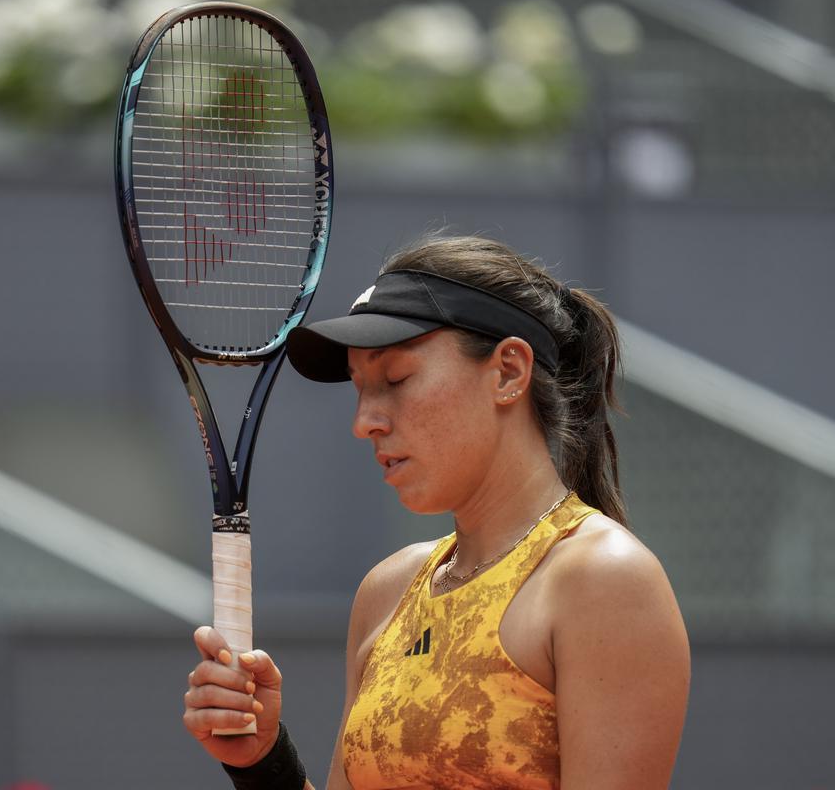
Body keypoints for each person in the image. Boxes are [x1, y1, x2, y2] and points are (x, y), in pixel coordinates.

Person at [183, 235, 691, 790]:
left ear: (508, 373)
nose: (365, 422)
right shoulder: (387, 589)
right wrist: (264, 762)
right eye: (360, 389)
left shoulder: (604, 580)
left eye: (396, 380)